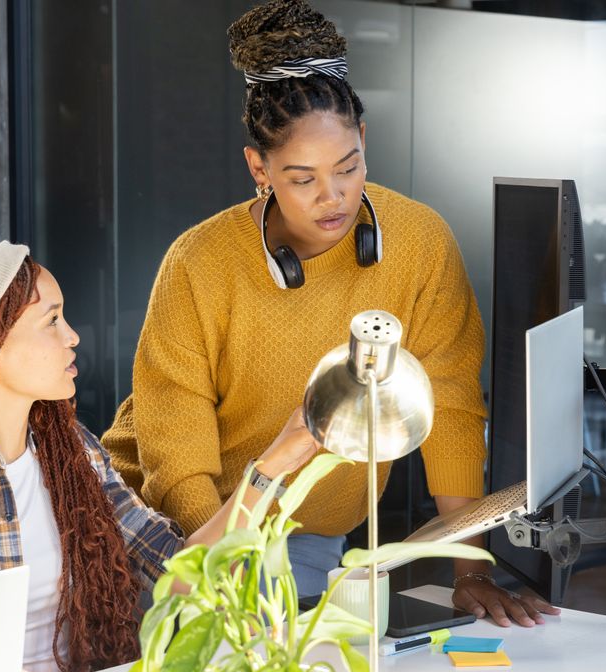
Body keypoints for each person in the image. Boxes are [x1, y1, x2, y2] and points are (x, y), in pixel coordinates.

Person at [102, 0, 558, 627]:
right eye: (302, 178)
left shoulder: (420, 243)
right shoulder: (199, 262)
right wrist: (216, 560)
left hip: (311, 536)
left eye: (347, 168)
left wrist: (471, 569)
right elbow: (174, 448)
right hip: (171, 528)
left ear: (365, 141)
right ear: (258, 169)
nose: (332, 197)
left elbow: (449, 408)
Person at [0, 233, 318, 672]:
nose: (72, 337)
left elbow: (178, 575)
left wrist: (272, 466)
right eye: (51, 321)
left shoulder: (71, 455)